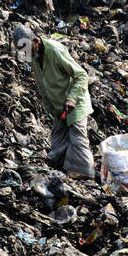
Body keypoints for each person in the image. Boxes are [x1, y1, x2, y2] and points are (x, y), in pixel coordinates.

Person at [12, 23, 96, 180]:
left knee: (77, 139)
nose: (27, 55)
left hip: (75, 102)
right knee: (58, 139)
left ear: (36, 41)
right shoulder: (33, 55)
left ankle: (85, 177)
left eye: (29, 50)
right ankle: (63, 171)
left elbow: (82, 75)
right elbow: (41, 83)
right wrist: (49, 106)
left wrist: (72, 98)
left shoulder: (55, 50)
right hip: (59, 105)